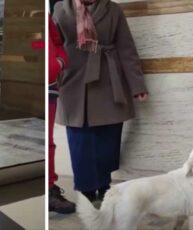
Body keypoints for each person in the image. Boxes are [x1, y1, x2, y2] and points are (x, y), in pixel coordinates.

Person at [52, 0, 148, 202]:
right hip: (74, 79)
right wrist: (55, 67)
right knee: (79, 139)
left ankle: (104, 185)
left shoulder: (112, 9)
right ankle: (85, 188)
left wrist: (137, 85)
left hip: (107, 78)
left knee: (107, 137)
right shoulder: (61, 8)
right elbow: (52, 43)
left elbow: (126, 48)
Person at [48, 14, 76, 214]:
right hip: (35, 82)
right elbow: (35, 43)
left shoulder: (46, 15)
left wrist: (59, 62)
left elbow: (57, 41)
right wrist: (51, 64)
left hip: (50, 87)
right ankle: (48, 189)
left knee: (48, 142)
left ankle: (49, 189)